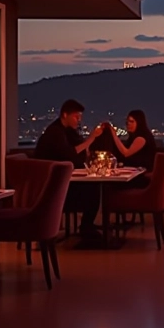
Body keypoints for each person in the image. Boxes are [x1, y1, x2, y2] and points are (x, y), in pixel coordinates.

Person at [34, 99, 107, 234]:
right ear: (65, 115)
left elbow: (78, 150)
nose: (78, 120)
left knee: (94, 186)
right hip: (51, 187)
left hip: (62, 181)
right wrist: (91, 138)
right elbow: (69, 153)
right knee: (92, 189)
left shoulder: (67, 131)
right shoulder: (55, 132)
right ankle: (86, 227)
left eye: (80, 117)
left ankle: (87, 226)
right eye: (76, 117)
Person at [103, 110, 157, 188]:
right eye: (127, 121)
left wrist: (114, 135)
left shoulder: (141, 138)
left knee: (109, 185)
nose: (128, 124)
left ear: (139, 123)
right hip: (135, 173)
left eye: (132, 121)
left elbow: (126, 153)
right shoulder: (133, 137)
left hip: (141, 177)